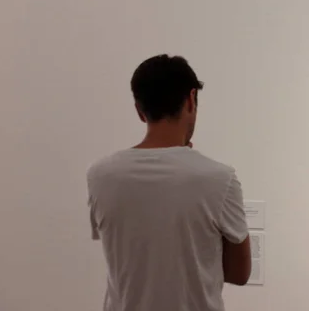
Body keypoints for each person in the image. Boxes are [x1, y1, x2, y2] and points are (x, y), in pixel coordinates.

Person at [86, 54, 251, 311]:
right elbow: (239, 274)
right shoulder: (220, 179)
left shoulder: (99, 175)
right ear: (191, 99)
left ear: (140, 111)